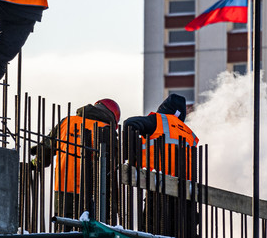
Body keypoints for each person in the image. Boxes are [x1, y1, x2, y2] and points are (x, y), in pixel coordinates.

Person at [29, 99, 120, 228]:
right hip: (90, 192)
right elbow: (111, 166)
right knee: (87, 231)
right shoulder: (106, 130)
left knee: (63, 230)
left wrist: (35, 163)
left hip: (62, 187)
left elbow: (46, 150)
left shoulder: (67, 122)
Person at [123, 93, 199, 237]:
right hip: (186, 196)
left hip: (158, 190)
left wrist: (130, 158)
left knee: (153, 233)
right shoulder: (190, 134)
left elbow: (129, 124)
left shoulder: (159, 120)